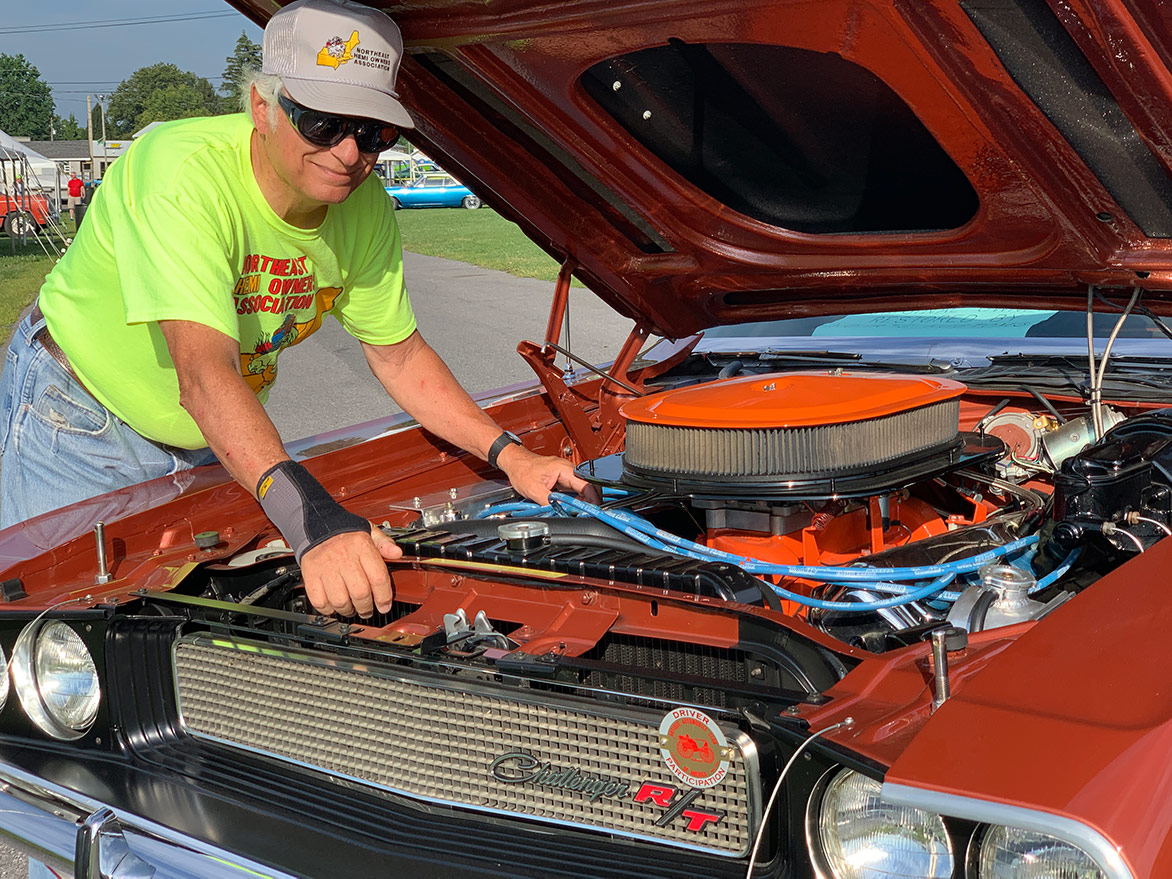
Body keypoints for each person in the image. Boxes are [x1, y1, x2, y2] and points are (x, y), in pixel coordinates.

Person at [0, 0, 590, 622]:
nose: (347, 154)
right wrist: (315, 520)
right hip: (82, 413)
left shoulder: (364, 210)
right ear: (262, 106)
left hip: (213, 436)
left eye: (373, 133)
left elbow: (401, 356)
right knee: (46, 624)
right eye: (321, 123)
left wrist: (515, 458)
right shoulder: (180, 172)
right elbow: (203, 375)